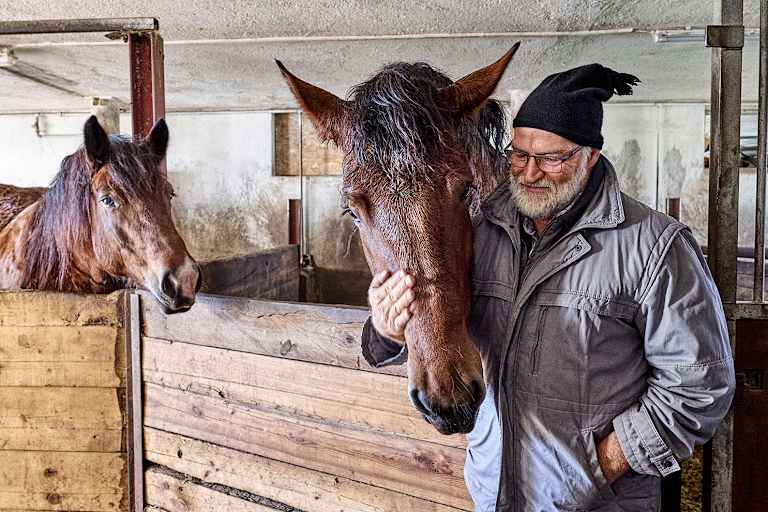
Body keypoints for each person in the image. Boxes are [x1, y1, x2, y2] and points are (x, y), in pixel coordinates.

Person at [361, 63, 736, 511]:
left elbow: (699, 386)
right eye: (519, 154)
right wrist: (385, 329)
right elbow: (440, 317)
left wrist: (596, 469)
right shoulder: (483, 228)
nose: (529, 173)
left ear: (590, 156)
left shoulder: (654, 246)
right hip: (494, 495)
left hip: (600, 503)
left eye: (551, 159)